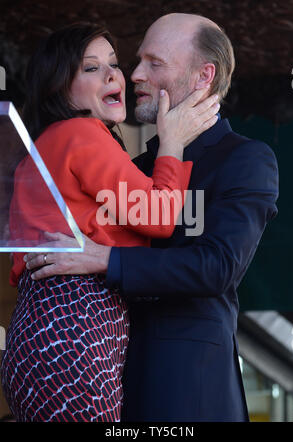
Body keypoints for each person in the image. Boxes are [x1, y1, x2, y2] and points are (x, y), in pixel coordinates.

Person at [24, 13, 279, 422]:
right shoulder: (130, 162)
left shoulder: (244, 158)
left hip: (183, 385)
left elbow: (218, 267)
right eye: (137, 60)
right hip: (99, 368)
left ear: (203, 76)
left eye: (154, 63)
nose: (135, 73)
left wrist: (105, 259)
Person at [0, 21, 219, 422]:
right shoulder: (81, 134)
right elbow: (158, 216)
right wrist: (172, 142)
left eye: (114, 63)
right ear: (59, 88)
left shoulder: (46, 146)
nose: (114, 74)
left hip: (38, 335)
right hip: (73, 334)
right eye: (90, 68)